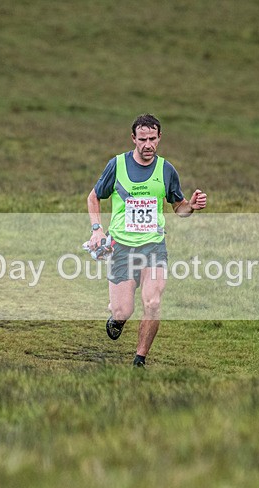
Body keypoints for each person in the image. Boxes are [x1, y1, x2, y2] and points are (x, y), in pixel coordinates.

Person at [87, 114, 207, 367]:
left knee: (152, 302)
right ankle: (116, 317)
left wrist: (192, 206)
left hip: (153, 246)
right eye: (143, 139)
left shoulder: (166, 170)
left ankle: (140, 359)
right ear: (134, 139)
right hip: (121, 247)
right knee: (123, 311)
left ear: (159, 138)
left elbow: (179, 208)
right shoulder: (117, 165)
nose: (148, 145)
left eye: (153, 139)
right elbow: (94, 197)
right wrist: (97, 229)